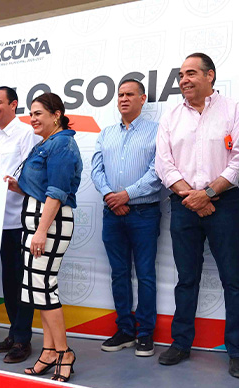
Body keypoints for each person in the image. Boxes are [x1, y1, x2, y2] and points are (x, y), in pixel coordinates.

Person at [155, 52, 239, 378]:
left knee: (233, 278)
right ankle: (181, 343)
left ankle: (238, 352)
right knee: (186, 278)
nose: (184, 80)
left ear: (210, 75)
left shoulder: (235, 110)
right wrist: (193, 196)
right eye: (181, 75)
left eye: (191, 73)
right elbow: (164, 163)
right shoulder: (171, 116)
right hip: (184, 204)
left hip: (224, 203)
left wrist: (207, 194)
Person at [4, 92, 82, 382]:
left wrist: (40, 231)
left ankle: (63, 352)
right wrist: (16, 186)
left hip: (49, 224)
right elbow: (38, 188)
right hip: (37, 223)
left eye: (38, 113)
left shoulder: (62, 143)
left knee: (44, 288)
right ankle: (49, 351)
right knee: (38, 289)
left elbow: (57, 192)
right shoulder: (46, 143)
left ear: (56, 115)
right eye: (31, 114)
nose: (32, 119)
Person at [91, 79, 162, 357]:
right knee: (119, 273)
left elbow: (158, 171)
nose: (123, 99)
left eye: (130, 94)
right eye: (120, 94)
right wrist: (111, 196)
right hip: (112, 213)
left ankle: (145, 334)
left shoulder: (157, 131)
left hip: (144, 213)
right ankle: (124, 330)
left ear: (142, 99)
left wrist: (126, 195)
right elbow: (96, 170)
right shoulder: (106, 133)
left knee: (145, 274)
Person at [0, 86, 39, 364]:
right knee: (8, 281)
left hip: (21, 219)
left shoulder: (26, 133)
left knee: (22, 280)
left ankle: (22, 339)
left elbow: (31, 174)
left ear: (13, 104)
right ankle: (13, 332)